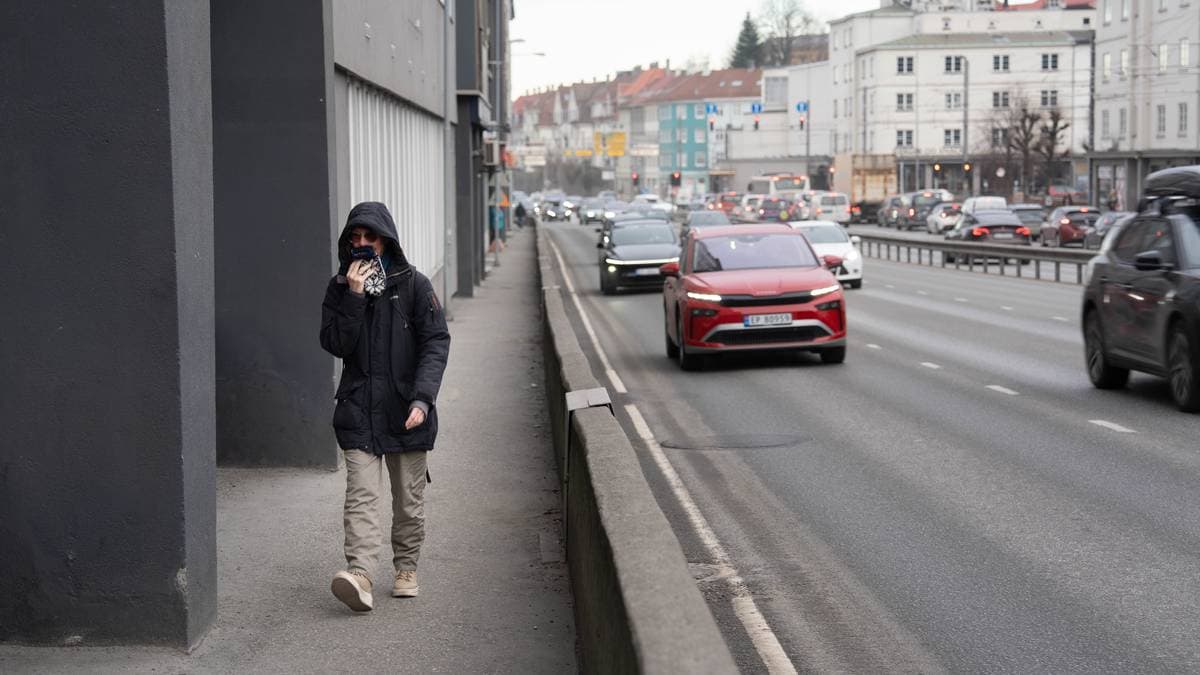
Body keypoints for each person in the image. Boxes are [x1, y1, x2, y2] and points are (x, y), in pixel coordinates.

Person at [320, 201, 451, 612]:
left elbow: (435, 343)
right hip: (358, 409)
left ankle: (406, 567)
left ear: (386, 241)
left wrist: (423, 399)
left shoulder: (414, 285)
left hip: (405, 411)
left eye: (369, 238)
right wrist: (354, 297)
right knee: (361, 496)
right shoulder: (339, 289)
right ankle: (359, 574)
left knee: (408, 502)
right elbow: (336, 345)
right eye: (355, 238)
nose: (362, 245)